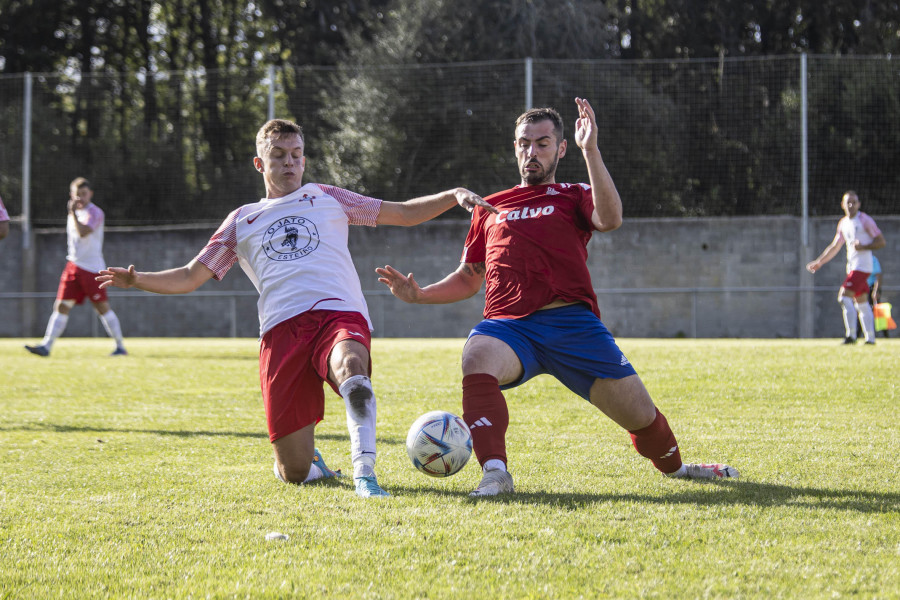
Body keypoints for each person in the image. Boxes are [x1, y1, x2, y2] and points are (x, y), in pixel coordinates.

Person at [97, 118, 493, 499]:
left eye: (297, 154)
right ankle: (312, 463)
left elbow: (403, 213)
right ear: (260, 163)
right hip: (280, 332)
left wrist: (452, 194)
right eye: (279, 155)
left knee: (352, 366)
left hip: (338, 313)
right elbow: (189, 276)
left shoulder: (327, 197)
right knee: (295, 472)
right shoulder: (241, 220)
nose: (290, 162)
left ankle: (365, 474)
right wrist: (138, 280)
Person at [376, 99, 739, 497]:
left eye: (543, 143)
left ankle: (679, 468)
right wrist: (420, 294)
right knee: (476, 357)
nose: (532, 152)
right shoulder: (488, 208)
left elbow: (611, 219)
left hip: (573, 327)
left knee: (643, 419)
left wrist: (591, 149)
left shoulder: (575, 194)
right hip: (510, 328)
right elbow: (468, 279)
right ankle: (496, 473)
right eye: (524, 144)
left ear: (561, 148)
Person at [25, 178, 128, 357]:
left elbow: (83, 232)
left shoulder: (95, 212)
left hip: (92, 268)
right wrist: (73, 213)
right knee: (61, 306)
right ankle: (46, 346)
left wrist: (72, 213)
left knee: (102, 308)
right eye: (77, 194)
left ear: (90, 194)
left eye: (84, 194)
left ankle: (120, 347)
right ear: (72, 195)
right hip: (73, 265)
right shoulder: (74, 212)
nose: (81, 197)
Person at [806, 191, 886, 345]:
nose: (851, 205)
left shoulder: (865, 220)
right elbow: (835, 246)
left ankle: (851, 336)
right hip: (852, 267)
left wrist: (864, 246)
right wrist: (819, 262)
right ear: (842, 205)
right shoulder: (843, 223)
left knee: (843, 297)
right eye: (848, 202)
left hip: (862, 267)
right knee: (861, 302)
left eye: (854, 202)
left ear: (859, 204)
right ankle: (870, 339)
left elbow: (881, 241)